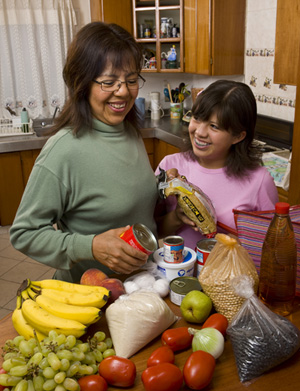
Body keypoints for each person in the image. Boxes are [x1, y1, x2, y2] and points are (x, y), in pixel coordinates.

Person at [10, 22, 158, 283]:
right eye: (109, 82)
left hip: (141, 287)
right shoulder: (64, 149)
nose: (123, 91)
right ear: (82, 84)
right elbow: (24, 233)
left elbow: (137, 212)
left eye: (132, 80)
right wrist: (90, 246)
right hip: (88, 295)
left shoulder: (130, 132)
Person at [155, 80, 279, 250]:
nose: (200, 132)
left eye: (214, 126)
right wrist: (177, 216)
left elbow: (271, 249)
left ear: (238, 136)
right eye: (197, 118)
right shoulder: (170, 166)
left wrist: (238, 244)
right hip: (176, 274)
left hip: (231, 275)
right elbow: (152, 231)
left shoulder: (259, 181)